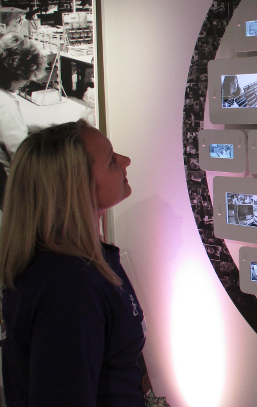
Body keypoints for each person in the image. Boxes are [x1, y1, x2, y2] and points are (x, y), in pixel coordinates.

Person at [0, 119, 148, 405]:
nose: (125, 161)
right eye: (111, 161)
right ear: (78, 187)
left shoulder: (85, 264)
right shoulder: (68, 287)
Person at [0, 33, 47, 203]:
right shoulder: (5, 103)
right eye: (27, 77)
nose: (27, 83)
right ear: (16, 73)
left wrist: (31, 127)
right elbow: (19, 152)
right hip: (8, 190)